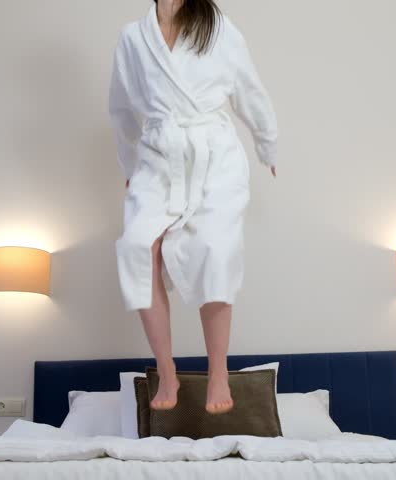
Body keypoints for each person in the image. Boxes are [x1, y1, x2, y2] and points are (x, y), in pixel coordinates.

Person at [109, 0, 277, 415]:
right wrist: (130, 163)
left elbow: (248, 87)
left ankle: (217, 371)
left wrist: (266, 141)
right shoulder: (133, 37)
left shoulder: (218, 26)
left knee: (215, 251)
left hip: (214, 155)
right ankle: (168, 372)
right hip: (158, 155)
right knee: (136, 248)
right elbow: (121, 106)